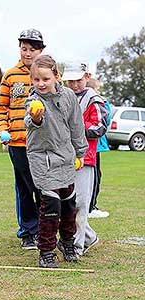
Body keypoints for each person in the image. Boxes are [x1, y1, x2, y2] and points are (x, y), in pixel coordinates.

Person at [24, 55, 88, 268]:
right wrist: (36, 117)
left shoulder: (69, 96)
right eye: (36, 80)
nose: (40, 84)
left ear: (56, 77)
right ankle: (46, 251)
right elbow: (30, 121)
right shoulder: (33, 100)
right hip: (42, 158)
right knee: (50, 207)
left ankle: (67, 243)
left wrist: (80, 153)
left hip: (65, 157)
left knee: (69, 205)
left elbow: (77, 126)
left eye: (45, 79)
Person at [0, 29, 46, 250]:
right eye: (24, 49)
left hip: (43, 143)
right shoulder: (10, 75)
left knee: (43, 187)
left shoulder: (49, 74)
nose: (27, 53)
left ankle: (46, 230)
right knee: (24, 187)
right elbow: (1, 108)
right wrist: (2, 128)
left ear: (41, 51)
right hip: (18, 143)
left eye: (32, 49)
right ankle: (28, 231)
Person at [62, 60, 109, 257]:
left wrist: (77, 130)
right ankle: (88, 237)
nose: (74, 85)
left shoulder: (94, 100)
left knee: (81, 203)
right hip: (65, 158)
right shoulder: (64, 98)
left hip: (86, 159)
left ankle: (78, 246)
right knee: (67, 202)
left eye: (78, 80)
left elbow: (100, 127)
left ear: (87, 77)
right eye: (70, 81)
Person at [87, 78, 112, 218]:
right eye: (97, 89)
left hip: (95, 148)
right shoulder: (98, 103)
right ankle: (90, 207)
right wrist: (105, 102)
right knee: (94, 177)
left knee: (96, 175)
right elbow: (106, 119)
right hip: (93, 148)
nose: (99, 92)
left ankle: (91, 205)